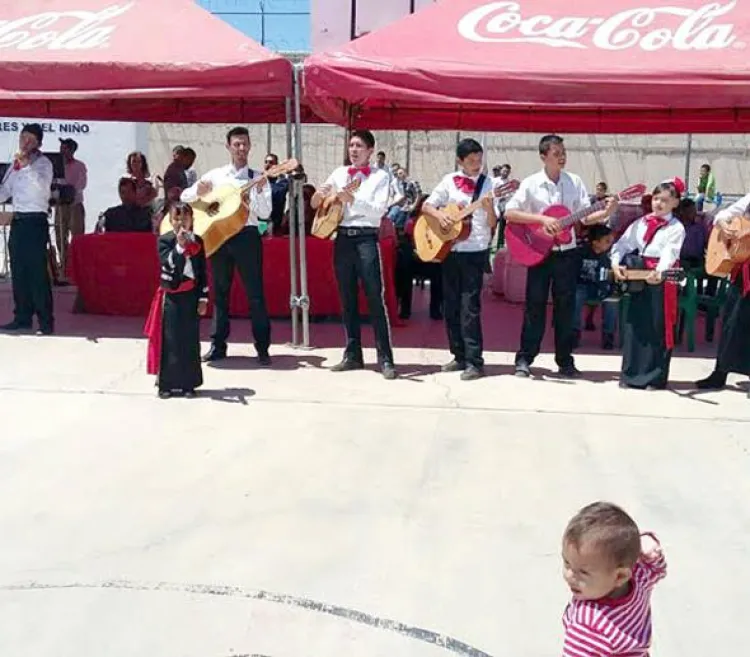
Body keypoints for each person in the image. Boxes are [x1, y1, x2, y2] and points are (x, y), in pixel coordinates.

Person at [505, 134, 616, 378]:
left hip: (567, 255)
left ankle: (565, 360)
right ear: (543, 156)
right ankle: (524, 359)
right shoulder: (531, 184)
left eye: (564, 152)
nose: (562, 157)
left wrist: (604, 211)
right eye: (556, 153)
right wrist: (542, 219)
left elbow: (584, 217)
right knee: (534, 307)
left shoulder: (574, 181)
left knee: (566, 308)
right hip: (539, 253)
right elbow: (510, 212)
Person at [180, 126, 273, 365]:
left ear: (250, 146)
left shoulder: (257, 177)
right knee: (220, 293)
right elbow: (185, 198)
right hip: (220, 237)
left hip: (247, 236)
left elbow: (265, 213)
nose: (241, 148)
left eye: (245, 144)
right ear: (229, 147)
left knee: (256, 294)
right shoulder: (217, 175)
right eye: (237, 144)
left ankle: (263, 348)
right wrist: (196, 191)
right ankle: (217, 345)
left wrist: (259, 193)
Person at [311, 129, 396, 379]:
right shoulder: (339, 173)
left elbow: (378, 211)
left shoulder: (380, 176)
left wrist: (352, 199)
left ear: (370, 150)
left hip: (366, 238)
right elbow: (318, 201)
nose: (354, 150)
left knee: (373, 296)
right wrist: (319, 196)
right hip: (343, 238)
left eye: (359, 146)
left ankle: (385, 358)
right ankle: (353, 354)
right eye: (351, 145)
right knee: (346, 297)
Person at [421, 138, 497, 380]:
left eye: (479, 160)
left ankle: (475, 360)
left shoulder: (489, 184)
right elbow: (426, 206)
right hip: (451, 250)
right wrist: (441, 216)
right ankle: (458, 355)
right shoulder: (448, 181)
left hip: (475, 250)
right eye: (471, 160)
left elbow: (494, 223)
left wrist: (488, 208)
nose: (477, 164)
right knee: (451, 306)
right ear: (460, 161)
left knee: (470, 306)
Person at [561, 502, 666, 657]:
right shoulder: (639, 578)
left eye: (583, 572)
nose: (569, 576)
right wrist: (648, 551)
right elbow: (657, 569)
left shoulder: (588, 625)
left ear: (620, 576)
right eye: (567, 563)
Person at [611, 179, 685, 390]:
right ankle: (630, 374)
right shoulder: (641, 223)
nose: (659, 204)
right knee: (635, 324)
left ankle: (654, 377)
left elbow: (670, 253)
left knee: (657, 325)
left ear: (675, 203)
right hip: (639, 276)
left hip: (661, 279)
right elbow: (623, 244)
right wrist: (616, 262)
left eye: (665, 200)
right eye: (656, 198)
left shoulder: (675, 228)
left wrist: (659, 273)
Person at [144, 203, 208, 399]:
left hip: (190, 295)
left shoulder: (198, 241)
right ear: (171, 221)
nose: (181, 222)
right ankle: (167, 384)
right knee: (170, 339)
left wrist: (203, 297)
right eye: (177, 218)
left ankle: (188, 383)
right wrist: (180, 247)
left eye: (185, 218)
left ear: (192, 220)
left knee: (189, 339)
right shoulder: (165, 241)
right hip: (171, 295)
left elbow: (202, 272)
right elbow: (167, 264)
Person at [0, 123, 54, 335]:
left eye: (30, 140)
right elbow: (6, 189)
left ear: (38, 143)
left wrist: (26, 166)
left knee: (36, 272)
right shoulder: (16, 165)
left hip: (35, 221)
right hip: (18, 220)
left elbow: (41, 187)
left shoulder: (43, 164)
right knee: (19, 271)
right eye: (23, 138)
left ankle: (45, 321)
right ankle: (22, 317)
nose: (25, 143)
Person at [695, 192, 750, 394]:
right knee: (731, 321)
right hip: (744, 271)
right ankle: (720, 372)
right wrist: (726, 226)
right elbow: (721, 215)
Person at [574, 224, 617, 350]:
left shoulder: (611, 255)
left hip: (604, 287)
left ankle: (608, 335)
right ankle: (574, 332)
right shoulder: (581, 253)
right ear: (595, 242)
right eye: (607, 241)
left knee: (612, 300)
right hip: (584, 286)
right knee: (576, 296)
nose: (610, 244)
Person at [54, 138, 87, 275]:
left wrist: (70, 191)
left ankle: (77, 267)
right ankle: (64, 266)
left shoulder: (79, 165)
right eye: (61, 147)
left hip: (74, 204)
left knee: (77, 236)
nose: (62, 150)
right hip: (60, 205)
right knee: (60, 236)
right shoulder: (56, 166)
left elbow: (81, 184)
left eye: (65, 148)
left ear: (71, 150)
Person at [676, 198, 707, 270]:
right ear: (682, 211)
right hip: (683, 260)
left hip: (699, 260)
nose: (695, 213)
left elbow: (706, 243)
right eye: (691, 211)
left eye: (695, 210)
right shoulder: (677, 227)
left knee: (714, 272)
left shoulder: (700, 227)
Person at [264, 152, 290, 236]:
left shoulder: (281, 180)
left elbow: (275, 193)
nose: (268, 165)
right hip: (260, 223)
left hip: (275, 224)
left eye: (271, 162)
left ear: (276, 165)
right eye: (266, 162)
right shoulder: (259, 179)